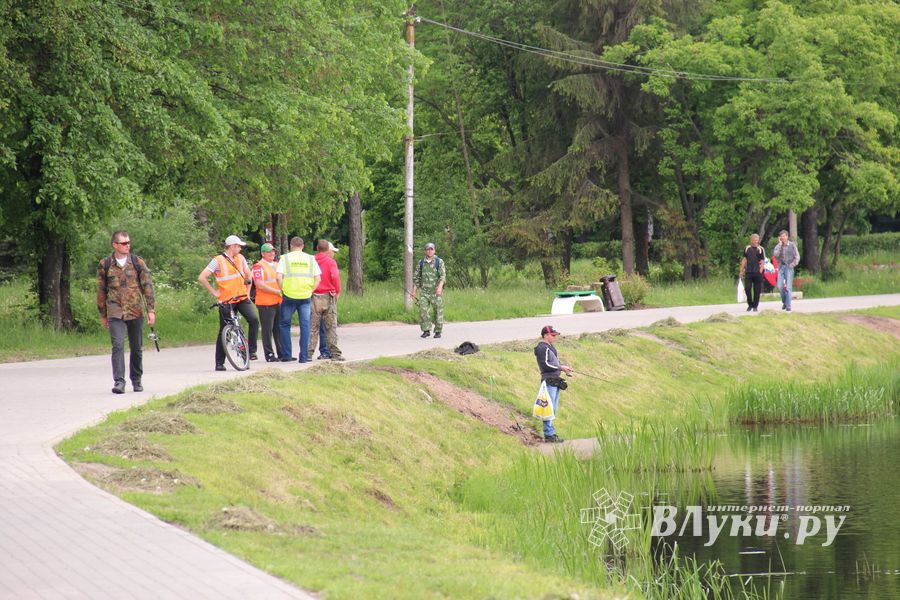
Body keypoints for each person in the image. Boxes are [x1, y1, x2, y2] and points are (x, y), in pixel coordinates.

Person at [96, 231, 156, 394]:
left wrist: (151, 310)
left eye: (128, 242)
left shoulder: (137, 262)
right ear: (115, 245)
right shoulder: (105, 264)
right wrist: (102, 314)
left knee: (136, 347)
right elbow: (101, 290)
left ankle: (136, 380)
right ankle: (119, 381)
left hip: (135, 310)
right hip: (115, 311)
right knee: (118, 345)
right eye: (123, 243)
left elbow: (147, 286)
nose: (127, 245)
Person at [198, 235, 260, 371]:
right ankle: (219, 363)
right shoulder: (217, 260)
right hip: (226, 300)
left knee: (254, 319)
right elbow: (202, 277)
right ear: (232, 246)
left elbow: (249, 276)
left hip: (242, 297)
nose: (240, 248)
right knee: (224, 330)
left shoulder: (241, 259)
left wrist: (248, 293)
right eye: (238, 246)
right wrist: (214, 292)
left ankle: (251, 351)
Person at [277, 236, 321, 363]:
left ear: (291, 246)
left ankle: (286, 355)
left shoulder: (285, 258)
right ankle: (303, 357)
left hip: (289, 295)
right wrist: (311, 290)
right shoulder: (311, 259)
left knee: (285, 325)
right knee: (305, 326)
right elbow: (318, 279)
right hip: (305, 296)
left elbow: (279, 277)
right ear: (303, 246)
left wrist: (282, 290)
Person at [534, 325, 573, 443]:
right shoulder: (542, 348)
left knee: (553, 409)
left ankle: (551, 433)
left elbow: (554, 362)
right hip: (548, 381)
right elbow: (545, 365)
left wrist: (563, 369)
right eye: (553, 335)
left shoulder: (551, 347)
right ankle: (549, 434)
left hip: (555, 380)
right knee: (548, 408)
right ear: (546, 335)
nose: (555, 337)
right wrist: (561, 367)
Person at [309, 240, 345, 361]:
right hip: (328, 296)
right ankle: (335, 353)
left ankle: (308, 353)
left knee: (313, 327)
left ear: (317, 248)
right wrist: (337, 291)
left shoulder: (311, 261)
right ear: (327, 250)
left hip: (313, 296)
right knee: (331, 326)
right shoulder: (330, 262)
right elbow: (335, 277)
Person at [252, 242, 284, 362]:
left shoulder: (277, 265)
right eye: (269, 251)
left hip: (278, 301)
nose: (272, 253)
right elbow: (260, 284)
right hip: (266, 303)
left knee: (278, 329)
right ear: (263, 253)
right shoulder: (258, 266)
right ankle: (269, 354)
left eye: (273, 251)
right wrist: (276, 291)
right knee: (267, 330)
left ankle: (282, 353)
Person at [412, 242, 446, 338]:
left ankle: (438, 331)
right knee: (423, 310)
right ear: (425, 251)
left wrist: (439, 288)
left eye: (431, 249)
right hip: (424, 292)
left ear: (434, 250)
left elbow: (443, 276)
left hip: (435, 292)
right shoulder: (421, 262)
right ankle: (426, 330)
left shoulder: (439, 262)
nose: (430, 251)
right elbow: (416, 278)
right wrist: (414, 291)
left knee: (438, 311)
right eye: (428, 249)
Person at [772, 230, 800, 312]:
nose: (783, 238)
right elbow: (775, 254)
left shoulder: (792, 245)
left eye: (784, 236)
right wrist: (780, 245)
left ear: (787, 237)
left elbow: (797, 256)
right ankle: (785, 301)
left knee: (788, 287)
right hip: (781, 267)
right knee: (780, 286)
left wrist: (792, 264)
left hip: (789, 267)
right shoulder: (778, 246)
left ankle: (788, 305)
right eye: (781, 236)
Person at [739, 233, 766, 312]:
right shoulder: (747, 248)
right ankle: (750, 304)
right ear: (751, 240)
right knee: (747, 288)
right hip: (749, 272)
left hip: (757, 272)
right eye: (754, 240)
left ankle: (755, 306)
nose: (755, 242)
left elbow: (763, 260)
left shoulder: (761, 249)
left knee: (757, 290)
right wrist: (741, 270)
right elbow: (744, 260)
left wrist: (760, 270)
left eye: (757, 240)